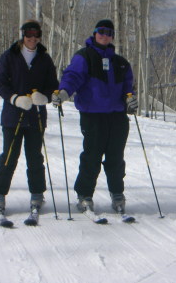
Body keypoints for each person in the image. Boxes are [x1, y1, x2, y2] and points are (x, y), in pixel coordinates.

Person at [52, 19, 137, 214]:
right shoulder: (84, 57)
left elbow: (127, 88)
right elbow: (72, 76)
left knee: (116, 158)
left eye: (109, 32)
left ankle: (117, 193)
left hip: (116, 116)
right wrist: (64, 92)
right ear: (94, 32)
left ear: (113, 36)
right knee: (92, 156)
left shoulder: (120, 63)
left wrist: (130, 101)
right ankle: (84, 195)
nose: (104, 35)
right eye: (101, 31)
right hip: (93, 115)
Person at [0, 19, 58, 216]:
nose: (32, 39)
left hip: (36, 116)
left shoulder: (44, 58)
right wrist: (14, 98)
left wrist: (44, 97)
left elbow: (53, 84)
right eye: (29, 35)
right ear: (23, 36)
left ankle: (37, 193)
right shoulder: (10, 56)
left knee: (35, 157)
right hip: (13, 116)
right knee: (9, 156)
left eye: (36, 35)